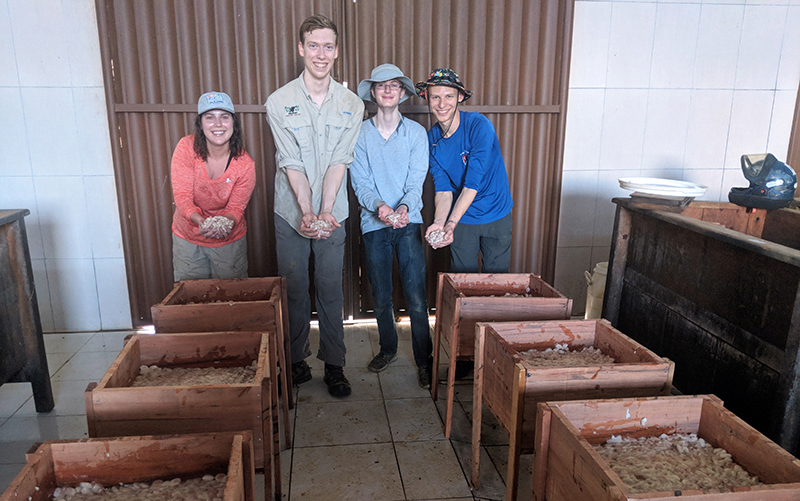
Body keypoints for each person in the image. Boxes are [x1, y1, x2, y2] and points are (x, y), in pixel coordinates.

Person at [265, 14, 364, 397]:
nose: (320, 54)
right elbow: (289, 160)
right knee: (294, 288)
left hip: (333, 213)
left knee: (330, 288)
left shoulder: (352, 105)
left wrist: (324, 212)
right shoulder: (279, 101)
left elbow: (340, 160)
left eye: (328, 46)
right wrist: (306, 212)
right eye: (313, 46)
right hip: (290, 211)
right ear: (301, 49)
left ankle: (335, 365)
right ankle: (295, 361)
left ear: (336, 52)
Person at [350, 64, 433, 389]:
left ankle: (423, 359)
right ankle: (388, 349)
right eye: (381, 86)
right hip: (374, 224)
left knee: (416, 296)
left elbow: (416, 181)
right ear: (372, 93)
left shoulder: (415, 134)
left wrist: (402, 208)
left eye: (394, 86)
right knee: (381, 295)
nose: (387, 90)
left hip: (408, 221)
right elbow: (361, 181)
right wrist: (381, 208)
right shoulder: (360, 133)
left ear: (402, 93)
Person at [415, 68, 514, 273]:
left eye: (449, 96)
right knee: (462, 281)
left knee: (496, 281)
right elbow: (443, 189)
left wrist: (450, 223)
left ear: (460, 96)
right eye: (435, 97)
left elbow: (472, 184)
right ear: (427, 98)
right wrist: (440, 223)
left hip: (496, 211)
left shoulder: (479, 126)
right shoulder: (431, 140)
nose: (442, 104)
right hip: (463, 218)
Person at [170, 91, 256, 282]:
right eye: (210, 117)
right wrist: (201, 222)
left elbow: (236, 208)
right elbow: (182, 196)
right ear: (200, 124)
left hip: (228, 241)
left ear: (233, 123)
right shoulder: (186, 148)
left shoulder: (245, 164)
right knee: (192, 296)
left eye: (224, 117)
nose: (218, 124)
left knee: (232, 297)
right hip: (188, 238)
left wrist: (224, 223)